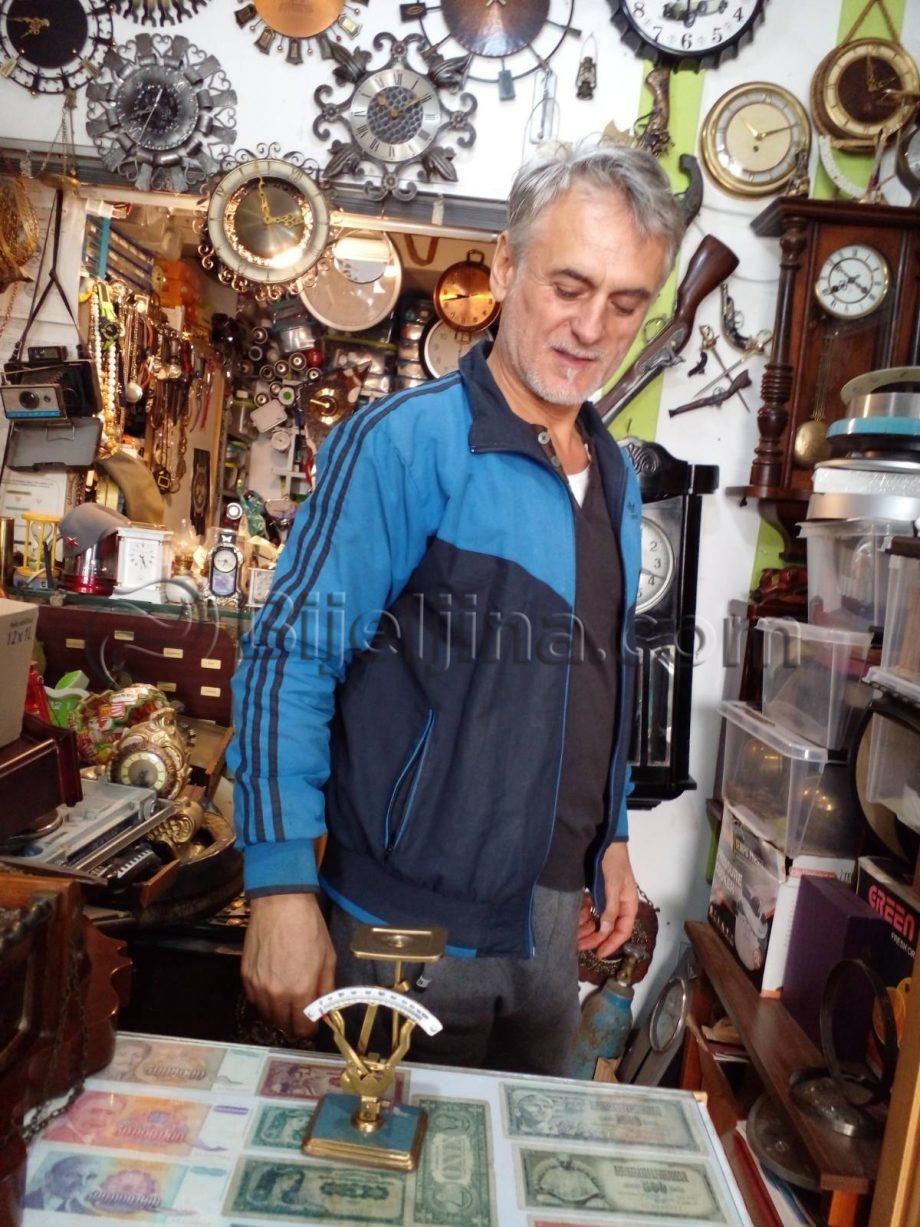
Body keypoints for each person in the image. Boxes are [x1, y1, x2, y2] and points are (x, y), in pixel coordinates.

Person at [231, 139, 683, 1075]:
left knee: (512, 1162)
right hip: (404, 931)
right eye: (569, 285)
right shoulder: (404, 444)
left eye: (625, 302)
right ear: (508, 266)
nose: (591, 326)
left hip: (552, 927)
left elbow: (591, 678)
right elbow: (288, 658)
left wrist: (611, 837)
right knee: (378, 1160)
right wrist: (278, 887)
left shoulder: (613, 476)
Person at [24, 1155, 100, 1213]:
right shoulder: (25, 1202)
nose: (82, 1183)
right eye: (72, 1175)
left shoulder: (84, 1211)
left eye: (89, 1178)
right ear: (49, 1177)